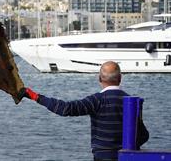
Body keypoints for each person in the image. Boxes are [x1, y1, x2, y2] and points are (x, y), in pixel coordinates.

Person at [18, 61, 149, 161]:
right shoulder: (132, 101)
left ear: (100, 79)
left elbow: (66, 109)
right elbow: (144, 135)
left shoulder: (96, 100)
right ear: (120, 78)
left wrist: (35, 96)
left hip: (102, 156)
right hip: (126, 156)